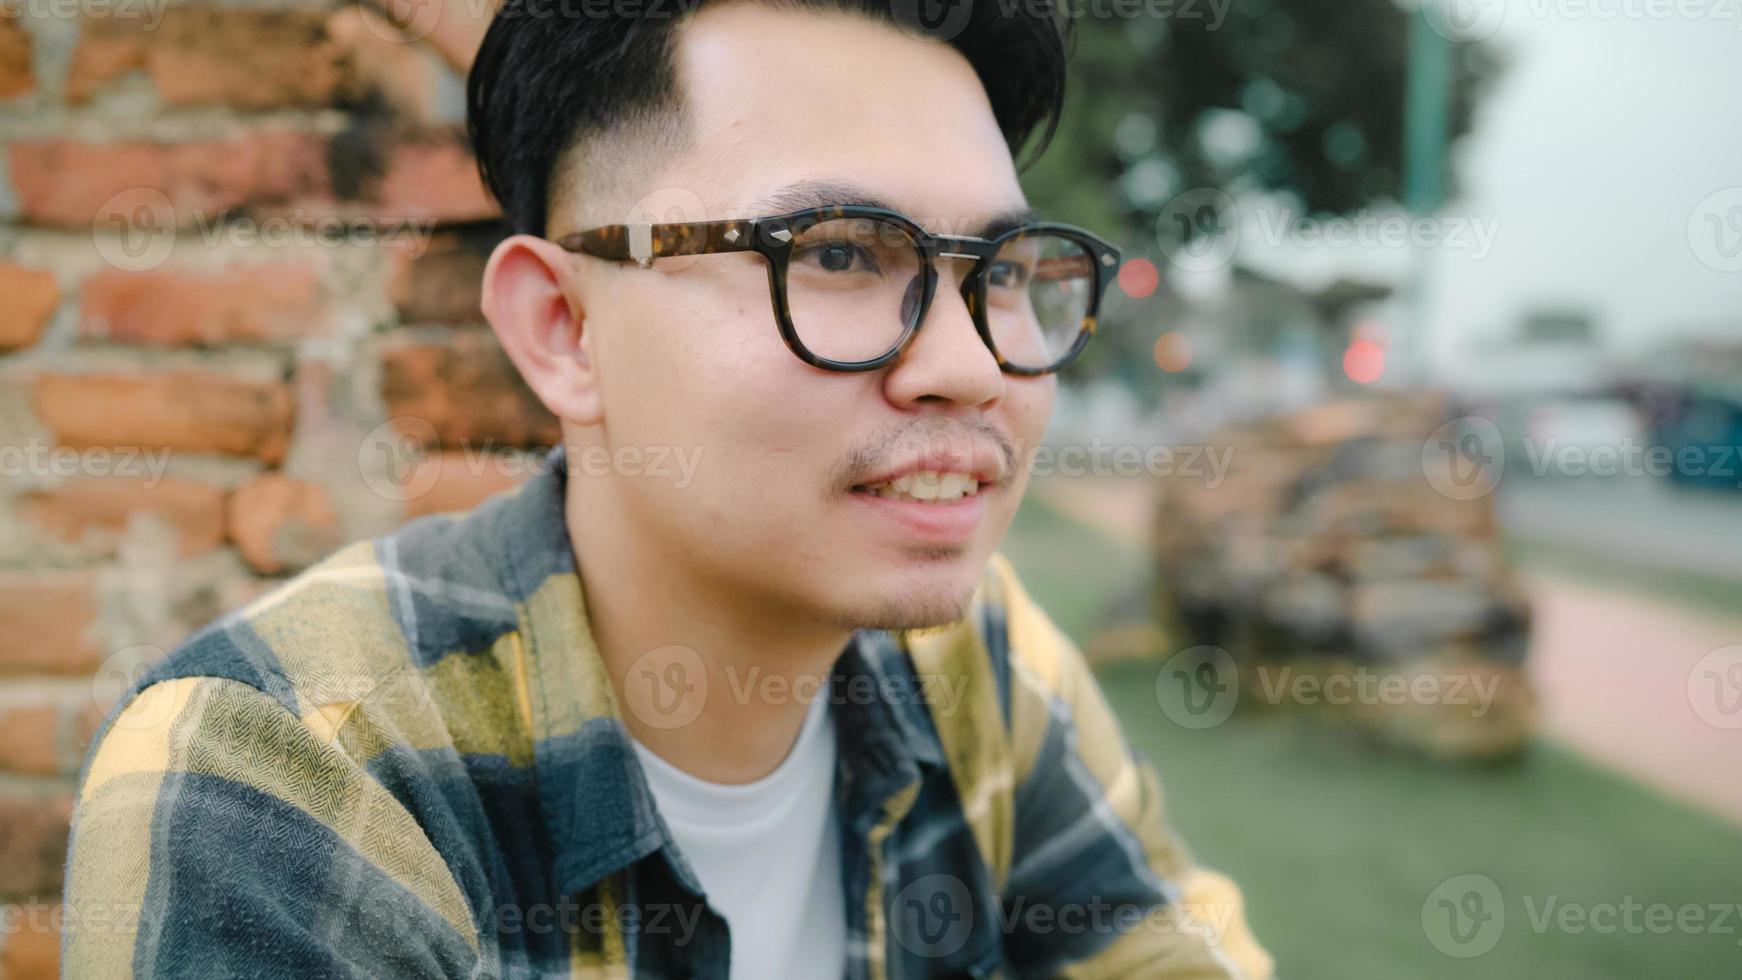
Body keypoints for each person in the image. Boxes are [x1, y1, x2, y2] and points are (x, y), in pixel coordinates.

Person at [63, 0, 1273, 976]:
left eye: (1000, 269)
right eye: (840, 254)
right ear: (562, 329)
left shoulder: (978, 668)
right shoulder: (285, 778)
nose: (966, 365)